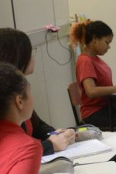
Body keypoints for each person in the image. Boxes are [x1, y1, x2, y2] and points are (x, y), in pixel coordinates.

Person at [0, 28, 76, 156]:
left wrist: (57, 134)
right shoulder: (7, 98)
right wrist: (50, 145)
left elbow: (37, 126)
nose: (33, 56)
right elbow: (13, 150)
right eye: (31, 51)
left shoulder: (19, 88)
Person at [69, 20, 116, 129]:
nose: (108, 47)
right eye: (107, 42)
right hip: (94, 114)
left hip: (105, 108)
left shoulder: (95, 59)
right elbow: (91, 91)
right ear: (94, 39)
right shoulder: (85, 61)